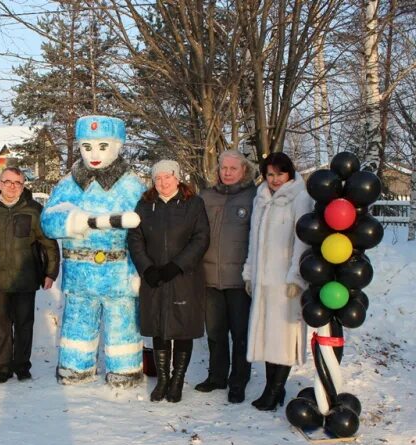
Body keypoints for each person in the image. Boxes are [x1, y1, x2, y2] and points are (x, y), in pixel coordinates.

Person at [41, 115, 145, 387]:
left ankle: (125, 369)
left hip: (118, 273)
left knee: (122, 323)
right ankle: (76, 367)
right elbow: (48, 221)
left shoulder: (132, 185)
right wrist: (73, 221)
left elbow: (145, 233)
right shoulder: (69, 184)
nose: (94, 155)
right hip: (79, 275)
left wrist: (138, 271)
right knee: (77, 322)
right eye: (87, 147)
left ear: (117, 145)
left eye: (102, 146)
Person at [127, 160, 209, 402]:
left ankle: (177, 381)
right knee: (159, 328)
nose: (163, 183)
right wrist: (147, 268)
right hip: (154, 278)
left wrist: (177, 265)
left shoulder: (193, 204)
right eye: (158, 178)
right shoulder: (145, 205)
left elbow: (201, 238)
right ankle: (162, 380)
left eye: (167, 177)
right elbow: (135, 238)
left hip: (184, 277)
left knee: (182, 329)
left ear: (177, 177)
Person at [243, 152, 313, 411]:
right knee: (267, 337)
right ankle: (274, 388)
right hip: (263, 282)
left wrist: (296, 275)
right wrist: (250, 273)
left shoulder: (300, 197)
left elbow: (302, 241)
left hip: (285, 282)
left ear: (290, 174)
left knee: (282, 337)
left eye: (280, 174)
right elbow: (253, 239)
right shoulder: (261, 198)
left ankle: (273, 392)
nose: (274, 180)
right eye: (270, 174)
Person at [0, 167, 60, 383]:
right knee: (3, 326)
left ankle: (22, 366)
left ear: (23, 185)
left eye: (17, 183)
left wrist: (50, 272)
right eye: (8, 182)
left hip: (25, 277)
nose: (12, 187)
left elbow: (48, 243)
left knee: (24, 324)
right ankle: (3, 368)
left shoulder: (34, 210)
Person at [197, 150, 258, 403]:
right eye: (224, 168)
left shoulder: (255, 198)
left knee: (240, 334)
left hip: (239, 279)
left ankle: (238, 381)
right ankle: (217, 376)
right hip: (210, 277)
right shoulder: (206, 196)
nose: (228, 173)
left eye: (234, 168)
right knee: (215, 332)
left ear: (244, 171)